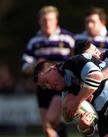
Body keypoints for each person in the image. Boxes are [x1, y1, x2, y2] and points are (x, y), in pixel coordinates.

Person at [21, 5, 75, 137]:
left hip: (60, 86)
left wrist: (54, 66)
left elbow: (77, 60)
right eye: (44, 20)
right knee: (47, 129)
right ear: (39, 21)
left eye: (50, 19)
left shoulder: (67, 38)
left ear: (56, 20)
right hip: (42, 88)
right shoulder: (34, 42)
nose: (47, 23)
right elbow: (25, 66)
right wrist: (35, 65)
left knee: (51, 119)